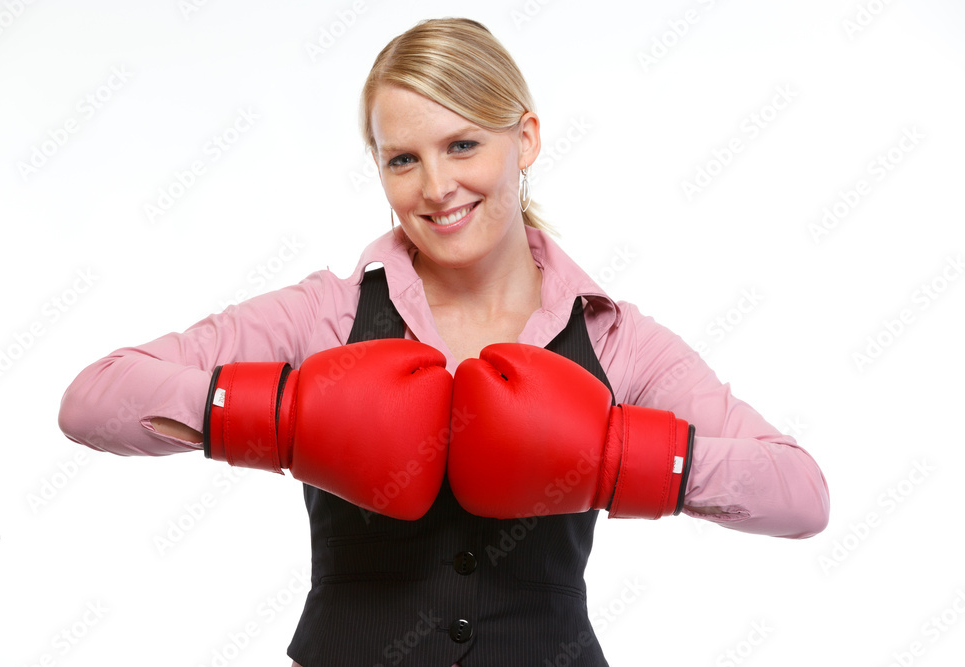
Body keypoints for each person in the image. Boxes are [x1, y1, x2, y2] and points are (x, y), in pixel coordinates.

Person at [58, 17, 830, 667]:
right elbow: (92, 398)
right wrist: (284, 420)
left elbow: (801, 493)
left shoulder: (614, 338)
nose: (435, 187)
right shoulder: (326, 315)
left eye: (462, 145)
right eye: (403, 159)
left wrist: (615, 457)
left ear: (524, 138)